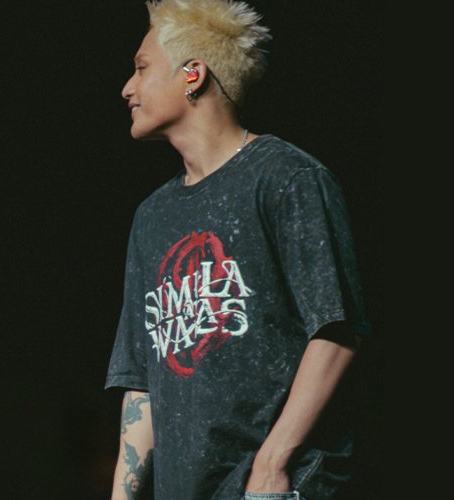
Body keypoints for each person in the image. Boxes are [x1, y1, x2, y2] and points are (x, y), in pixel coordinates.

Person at [106, 1, 369, 498]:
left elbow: (336, 330)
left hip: (275, 486)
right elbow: (142, 381)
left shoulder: (286, 177)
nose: (127, 88)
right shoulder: (151, 217)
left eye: (141, 68)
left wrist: (272, 466)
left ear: (193, 74)